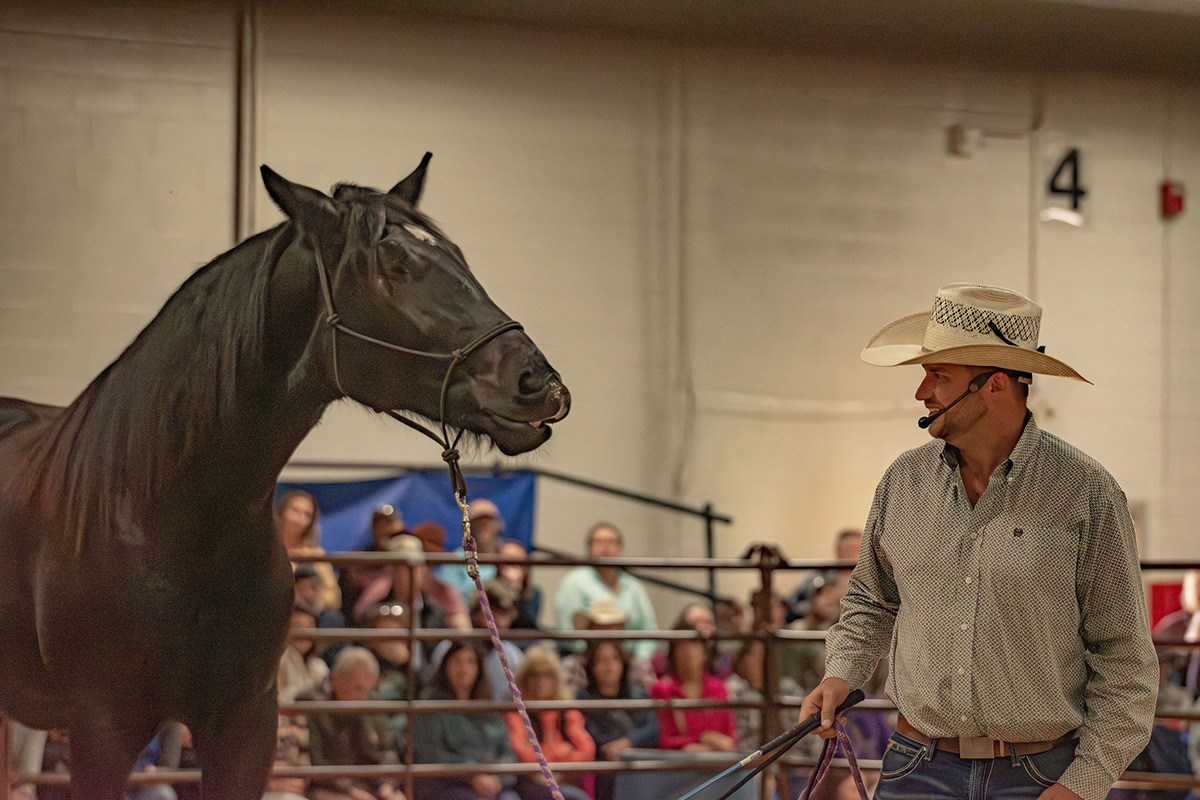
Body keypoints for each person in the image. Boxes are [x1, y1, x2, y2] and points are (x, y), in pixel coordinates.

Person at [799, 283, 1158, 800]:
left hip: (1040, 776)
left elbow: (1125, 657)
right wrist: (842, 674)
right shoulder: (903, 482)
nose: (922, 392)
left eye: (939, 375)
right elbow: (870, 601)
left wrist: (1081, 785)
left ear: (994, 385)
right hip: (915, 765)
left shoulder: (1086, 493)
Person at [411, 640, 518, 800]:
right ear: (445, 666)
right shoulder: (430, 707)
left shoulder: (489, 710)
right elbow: (429, 754)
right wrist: (472, 776)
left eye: (470, 662)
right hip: (447, 786)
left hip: (492, 784)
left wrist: (496, 778)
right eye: (457, 661)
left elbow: (508, 754)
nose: (464, 669)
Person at [297, 646, 401, 800]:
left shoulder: (372, 701)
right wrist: (351, 791)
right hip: (329, 788)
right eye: (358, 688)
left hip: (371, 785)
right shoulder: (310, 704)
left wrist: (386, 784)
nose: (363, 697)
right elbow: (315, 762)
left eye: (369, 689)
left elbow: (388, 750)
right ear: (335, 680)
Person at [554, 522, 659, 660]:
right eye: (599, 542)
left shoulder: (634, 586)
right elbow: (566, 631)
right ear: (589, 547)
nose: (606, 547)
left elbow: (650, 629)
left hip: (630, 660)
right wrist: (594, 656)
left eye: (611, 542)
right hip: (586, 660)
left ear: (620, 548)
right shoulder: (574, 583)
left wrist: (639, 659)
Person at [504, 647, 595, 800]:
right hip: (529, 782)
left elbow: (587, 751)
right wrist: (563, 751)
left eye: (547, 675)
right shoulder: (516, 713)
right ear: (524, 679)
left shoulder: (566, 711)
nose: (541, 681)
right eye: (535, 675)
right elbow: (521, 754)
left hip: (564, 780)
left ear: (556, 680)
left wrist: (554, 767)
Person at [577, 639, 659, 800]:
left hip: (640, 763)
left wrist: (628, 743)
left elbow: (653, 728)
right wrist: (613, 748)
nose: (609, 665)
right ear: (592, 667)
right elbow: (589, 734)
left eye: (614, 658)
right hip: (606, 768)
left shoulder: (639, 694)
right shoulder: (583, 699)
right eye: (602, 660)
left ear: (623, 663)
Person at [429, 578, 524, 701]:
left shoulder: (512, 656)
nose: (499, 621)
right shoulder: (447, 649)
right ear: (477, 611)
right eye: (492, 612)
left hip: (495, 718)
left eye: (505, 614)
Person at [649, 625, 738, 753]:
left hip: (719, 762)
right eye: (682, 647)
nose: (689, 653)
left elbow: (729, 740)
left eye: (694, 646)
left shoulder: (719, 688)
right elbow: (666, 740)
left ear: (705, 653)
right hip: (679, 765)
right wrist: (703, 738)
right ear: (673, 654)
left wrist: (705, 745)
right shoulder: (662, 689)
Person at [561, 597, 656, 692]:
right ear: (590, 629)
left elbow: (653, 697)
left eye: (612, 626)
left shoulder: (638, 667)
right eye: (601, 626)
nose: (607, 633)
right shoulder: (572, 667)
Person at [275, 489, 341, 612]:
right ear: (281, 512)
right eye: (295, 511)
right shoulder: (267, 550)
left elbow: (334, 598)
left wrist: (311, 595)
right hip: (272, 608)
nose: (300, 519)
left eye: (307, 515)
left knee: (332, 618)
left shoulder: (315, 555)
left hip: (305, 611)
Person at [340, 505, 407, 620]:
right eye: (381, 524)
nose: (386, 529)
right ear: (373, 528)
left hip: (401, 615)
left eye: (390, 523)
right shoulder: (360, 559)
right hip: (366, 618)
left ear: (401, 526)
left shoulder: (409, 556)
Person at [784, 529, 862, 624]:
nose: (855, 555)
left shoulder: (869, 581)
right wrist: (814, 608)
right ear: (839, 552)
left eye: (859, 550)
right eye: (850, 550)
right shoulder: (819, 576)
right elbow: (790, 605)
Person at [437, 498, 505, 606]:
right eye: (478, 521)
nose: (484, 525)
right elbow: (449, 598)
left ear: (498, 526)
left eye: (489, 521)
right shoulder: (455, 560)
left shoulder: (506, 556)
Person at [496, 538, 543, 645]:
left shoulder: (535, 593)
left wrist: (515, 589)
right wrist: (507, 587)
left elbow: (527, 623)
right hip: (497, 644)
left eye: (517, 562)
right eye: (508, 562)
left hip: (525, 644)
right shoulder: (487, 589)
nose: (513, 567)